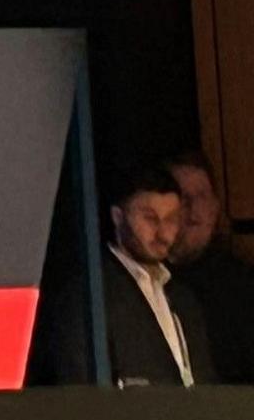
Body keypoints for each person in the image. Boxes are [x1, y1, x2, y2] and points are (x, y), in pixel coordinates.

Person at [45, 161, 218, 388]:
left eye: (172, 219)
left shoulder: (183, 299)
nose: (163, 232)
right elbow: (80, 387)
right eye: (150, 218)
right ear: (118, 217)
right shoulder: (89, 295)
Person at [163, 151, 252, 386]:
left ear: (215, 206)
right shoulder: (144, 284)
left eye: (201, 195)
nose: (193, 206)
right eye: (182, 196)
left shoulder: (242, 285)